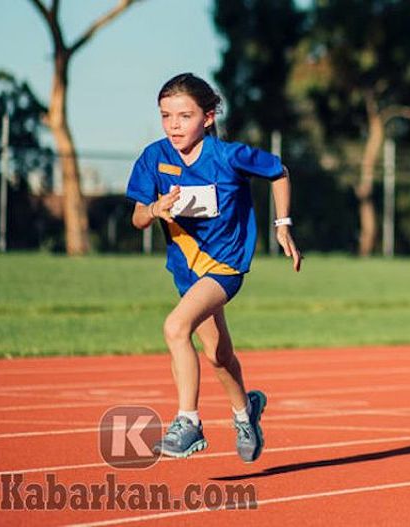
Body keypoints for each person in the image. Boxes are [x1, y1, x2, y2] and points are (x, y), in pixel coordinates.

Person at [126, 72, 302, 462]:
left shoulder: (228, 156)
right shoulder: (155, 157)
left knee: (175, 327)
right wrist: (155, 208)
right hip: (186, 269)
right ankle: (246, 413)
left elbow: (279, 171)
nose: (174, 125)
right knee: (218, 354)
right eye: (166, 115)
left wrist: (282, 225)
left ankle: (188, 422)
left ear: (207, 117)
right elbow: (138, 216)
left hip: (225, 266)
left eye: (184, 116)